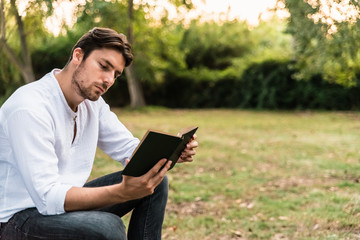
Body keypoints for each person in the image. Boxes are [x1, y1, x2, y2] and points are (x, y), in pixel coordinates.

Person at [0, 27, 198, 240]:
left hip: (61, 206)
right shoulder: (30, 107)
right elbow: (48, 197)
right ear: (78, 55)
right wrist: (122, 191)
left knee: (154, 182)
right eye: (104, 66)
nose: (109, 80)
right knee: (107, 227)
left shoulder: (92, 105)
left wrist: (171, 152)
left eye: (116, 74)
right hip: (17, 219)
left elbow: (129, 150)